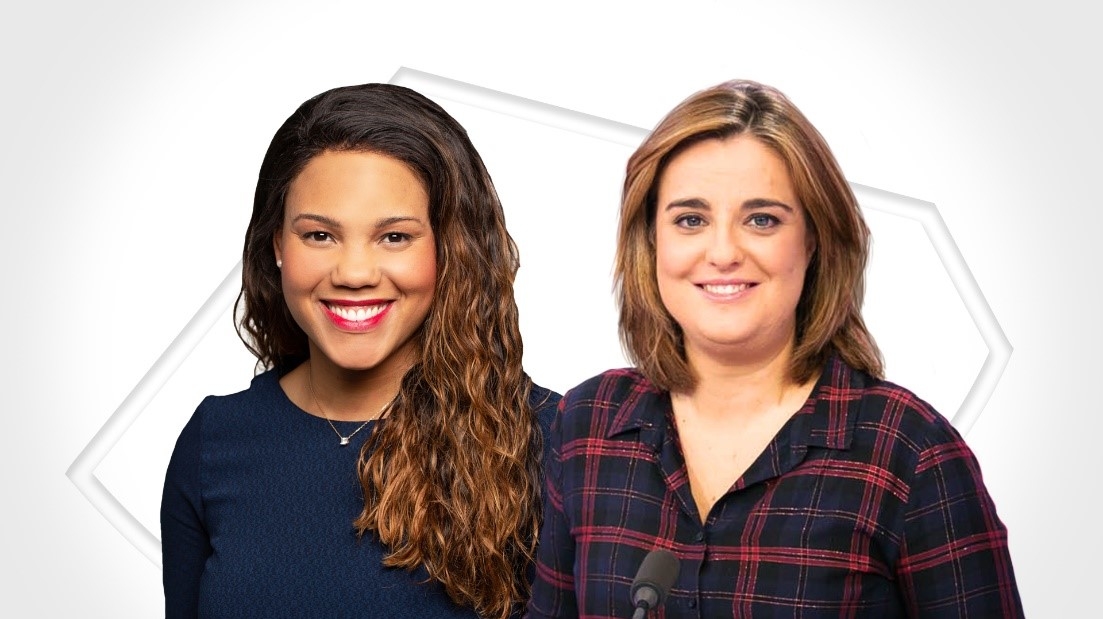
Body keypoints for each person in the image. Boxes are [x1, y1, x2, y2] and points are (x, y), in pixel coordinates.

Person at [527, 80, 1023, 618]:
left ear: (813, 240)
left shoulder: (909, 451)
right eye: (691, 220)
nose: (723, 252)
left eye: (761, 219)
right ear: (650, 241)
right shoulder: (588, 424)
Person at [161, 83, 560, 619]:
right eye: (319, 235)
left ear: (451, 250)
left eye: (394, 237)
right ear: (277, 244)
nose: (353, 273)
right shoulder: (213, 442)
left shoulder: (551, 440)